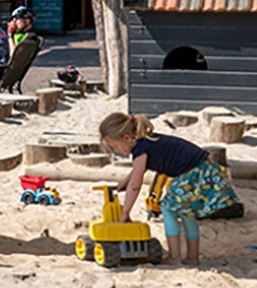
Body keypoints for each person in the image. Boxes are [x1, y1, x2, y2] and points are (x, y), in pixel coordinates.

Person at [100, 113, 238, 266]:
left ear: (126, 137)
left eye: (114, 146)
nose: (117, 150)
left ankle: (174, 257)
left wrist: (125, 212)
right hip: (204, 169)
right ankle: (192, 258)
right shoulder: (147, 141)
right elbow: (137, 172)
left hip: (193, 172)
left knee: (168, 207)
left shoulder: (140, 149)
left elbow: (135, 185)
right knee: (187, 212)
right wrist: (124, 181)